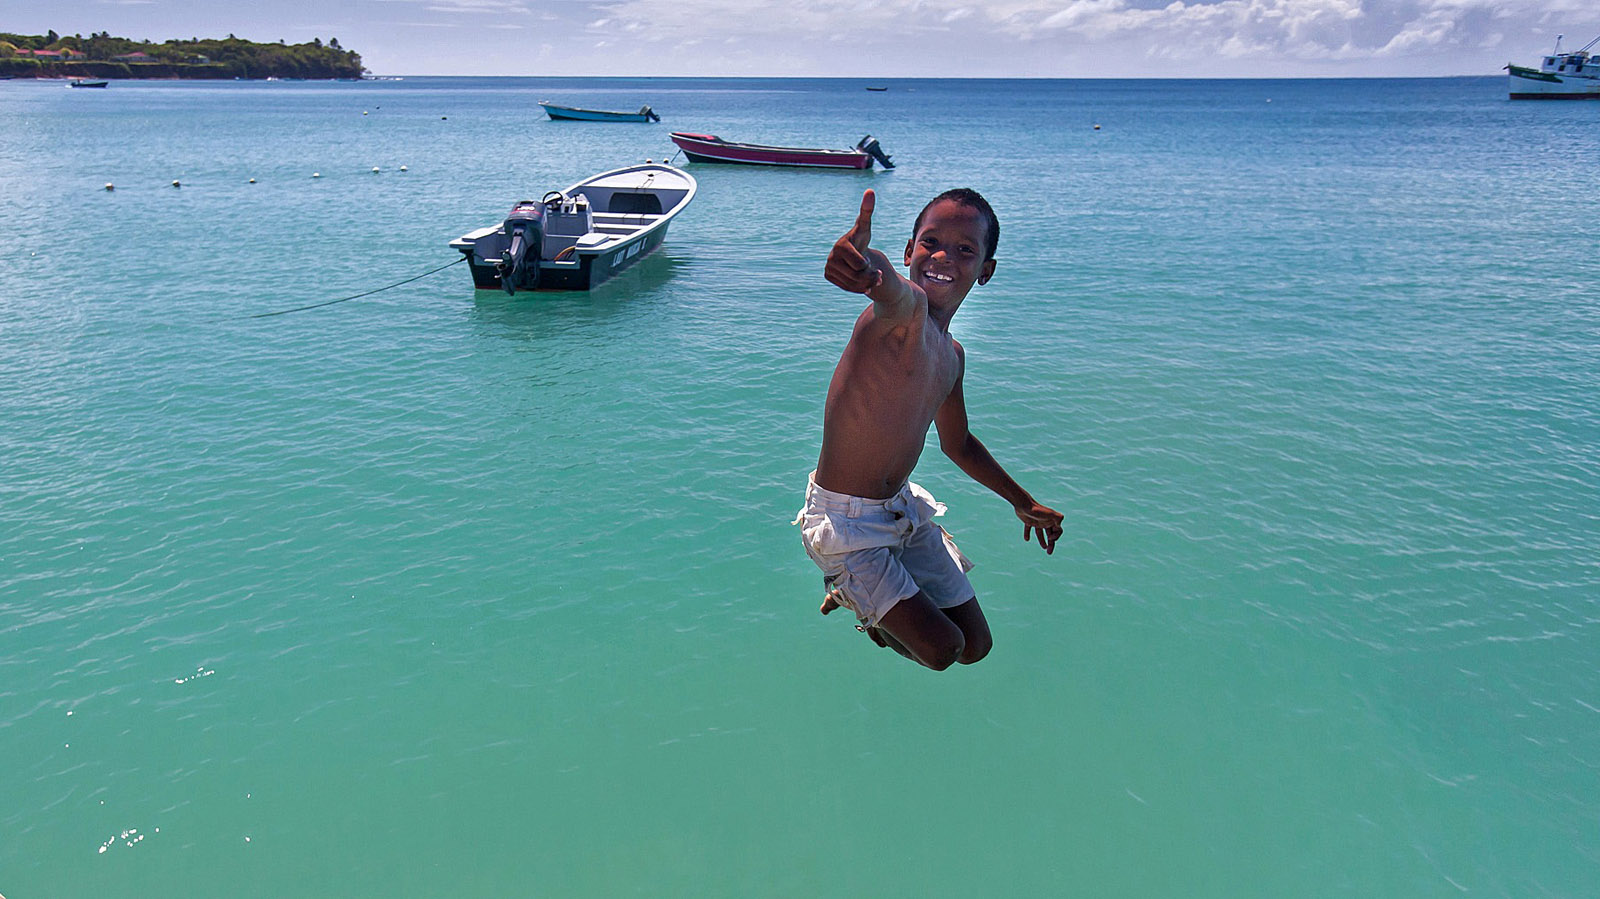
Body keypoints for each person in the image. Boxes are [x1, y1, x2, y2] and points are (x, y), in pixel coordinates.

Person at [795, 187, 1064, 670]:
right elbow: (883, 283)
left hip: (899, 509)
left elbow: (957, 443)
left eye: (965, 250)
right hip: (846, 521)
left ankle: (879, 597)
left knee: (975, 646)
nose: (943, 257)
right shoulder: (903, 313)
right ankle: (852, 591)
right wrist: (859, 261)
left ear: (986, 271)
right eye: (930, 242)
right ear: (908, 252)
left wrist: (1021, 501)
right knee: (941, 651)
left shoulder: (951, 356)